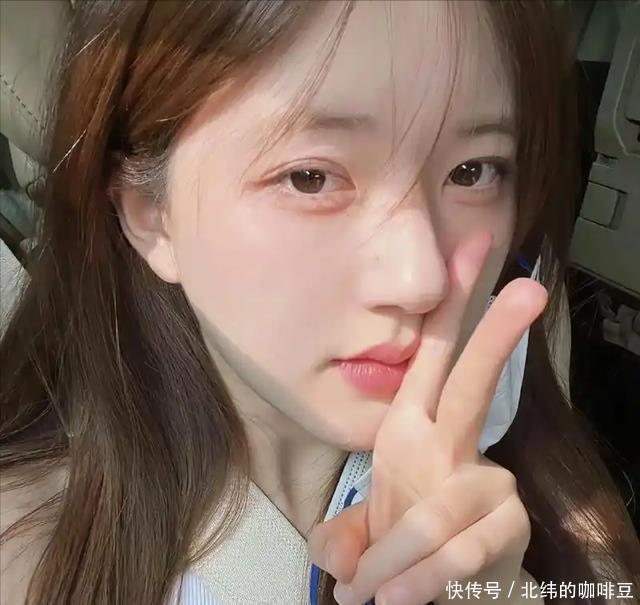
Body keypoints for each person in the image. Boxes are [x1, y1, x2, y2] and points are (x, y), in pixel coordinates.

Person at [1, 1, 638, 604]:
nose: (421, 278)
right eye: (310, 178)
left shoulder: (513, 405)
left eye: (472, 172)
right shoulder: (31, 556)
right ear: (151, 214)